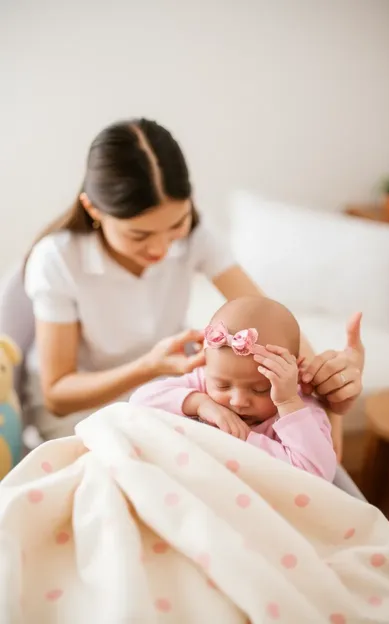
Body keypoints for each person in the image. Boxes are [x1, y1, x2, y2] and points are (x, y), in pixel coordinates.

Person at [24, 118, 364, 443]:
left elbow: (269, 314)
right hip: (84, 410)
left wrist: (326, 386)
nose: (160, 247)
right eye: (139, 235)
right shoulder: (57, 259)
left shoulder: (198, 235)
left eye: (176, 226)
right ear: (93, 209)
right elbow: (57, 396)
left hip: (168, 394)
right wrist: (148, 367)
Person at [130, 296, 337, 481]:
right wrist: (200, 404)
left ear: (295, 374)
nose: (238, 401)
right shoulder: (204, 384)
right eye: (223, 385)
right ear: (206, 366)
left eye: (260, 389)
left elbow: (317, 476)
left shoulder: (301, 411)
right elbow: (138, 403)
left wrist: (286, 402)